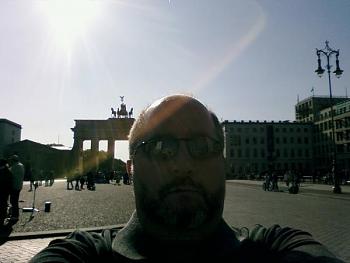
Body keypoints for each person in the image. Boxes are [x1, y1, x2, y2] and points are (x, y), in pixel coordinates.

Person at [30, 95, 345, 262]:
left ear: (222, 163)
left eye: (202, 148)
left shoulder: (279, 248)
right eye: (160, 147)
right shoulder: (82, 254)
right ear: (131, 167)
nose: (182, 164)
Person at [9, 155, 25, 222]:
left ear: (13, 160)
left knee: (13, 201)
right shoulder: (21, 165)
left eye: (11, 160)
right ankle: (14, 214)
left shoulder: (15, 166)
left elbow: (10, 174)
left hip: (14, 186)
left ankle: (15, 216)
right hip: (19, 185)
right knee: (15, 200)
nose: (10, 161)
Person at [0, 159, 12, 227]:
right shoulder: (8, 171)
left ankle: (1, 220)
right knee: (4, 205)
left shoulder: (2, 171)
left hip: (2, 191)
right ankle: (2, 219)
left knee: (2, 205)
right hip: (5, 191)